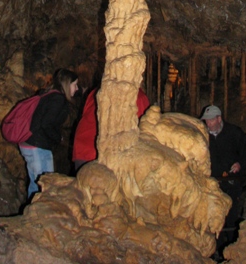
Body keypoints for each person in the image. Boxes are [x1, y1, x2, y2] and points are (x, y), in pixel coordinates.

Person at [19, 68, 78, 199]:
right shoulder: (58, 99)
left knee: (35, 184)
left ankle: (30, 214)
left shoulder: (47, 94)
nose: (77, 88)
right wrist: (59, 138)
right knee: (45, 187)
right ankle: (38, 217)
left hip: (28, 143)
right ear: (67, 84)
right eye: (75, 84)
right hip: (38, 146)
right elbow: (46, 123)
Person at [201, 104, 246, 253]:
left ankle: (231, 251)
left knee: (230, 217)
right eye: (206, 121)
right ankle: (214, 251)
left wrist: (240, 164)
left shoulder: (233, 133)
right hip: (212, 184)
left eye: (211, 120)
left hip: (230, 184)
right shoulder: (204, 135)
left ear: (219, 118)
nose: (208, 124)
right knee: (213, 218)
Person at [72, 86, 150, 172]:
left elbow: (85, 114)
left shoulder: (96, 91)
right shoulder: (137, 95)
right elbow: (145, 129)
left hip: (82, 146)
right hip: (102, 154)